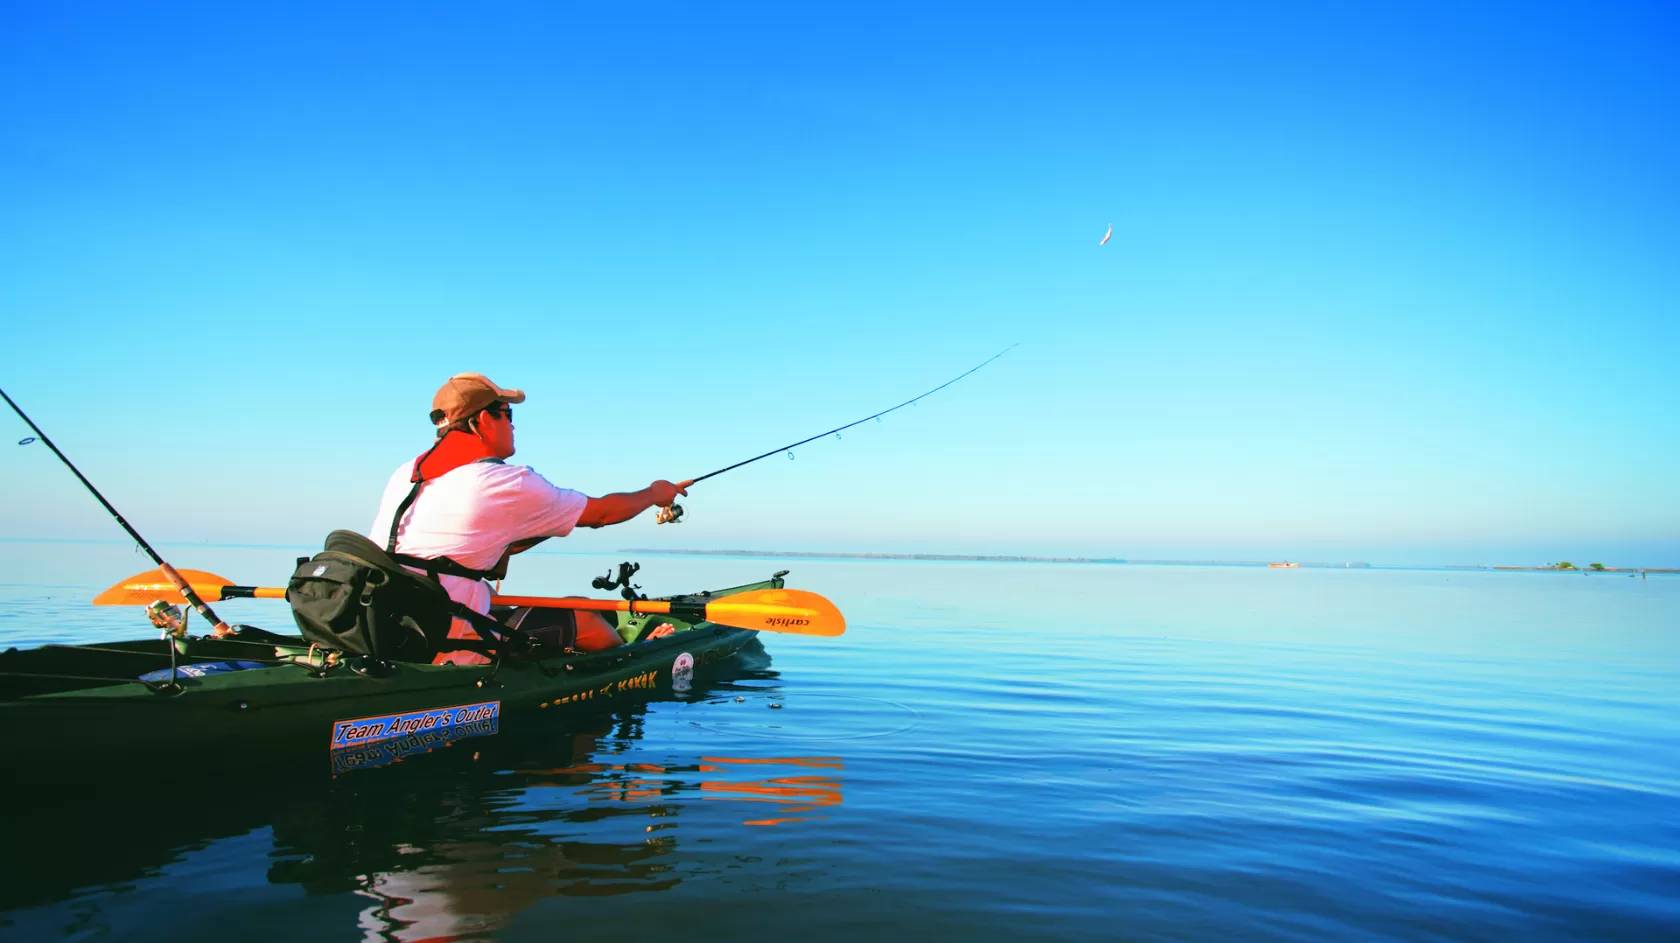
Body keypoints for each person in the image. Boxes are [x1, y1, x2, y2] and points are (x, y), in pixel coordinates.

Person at [370, 373, 690, 665]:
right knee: (582, 613)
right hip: (446, 641)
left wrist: (550, 522)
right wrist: (655, 493)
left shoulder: (407, 473)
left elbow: (462, 545)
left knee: (489, 594)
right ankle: (631, 658)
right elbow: (603, 513)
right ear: (484, 419)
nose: (513, 427)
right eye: (508, 415)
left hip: (394, 625)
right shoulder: (505, 482)